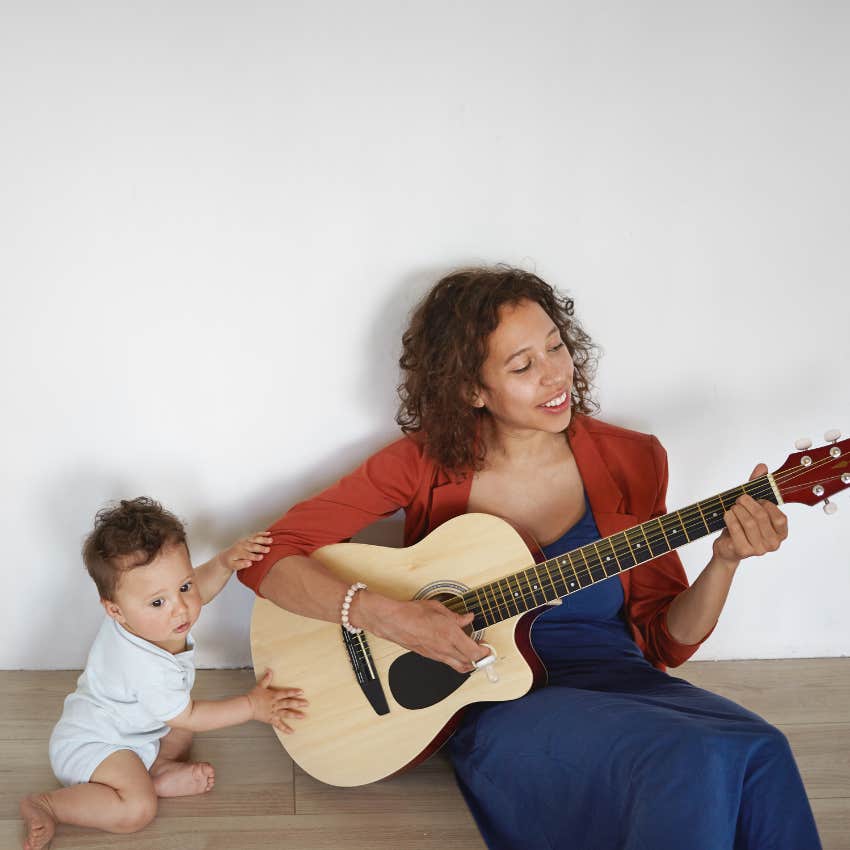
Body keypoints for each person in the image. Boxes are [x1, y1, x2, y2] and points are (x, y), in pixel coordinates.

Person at [238, 266, 821, 849]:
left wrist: (724, 560)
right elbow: (265, 560)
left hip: (618, 678)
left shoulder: (632, 459)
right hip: (498, 696)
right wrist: (390, 616)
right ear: (471, 389)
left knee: (761, 749)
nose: (555, 376)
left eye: (556, 347)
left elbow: (666, 639)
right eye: (522, 366)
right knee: (687, 759)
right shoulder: (424, 463)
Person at [20, 497, 309, 850]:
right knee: (137, 809)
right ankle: (48, 804)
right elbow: (191, 714)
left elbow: (198, 586)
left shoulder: (146, 618)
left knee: (181, 733)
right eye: (159, 602)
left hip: (138, 728)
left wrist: (223, 563)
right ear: (116, 610)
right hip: (95, 745)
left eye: (183, 587)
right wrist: (252, 706)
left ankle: (157, 770)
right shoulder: (144, 666)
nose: (181, 608)